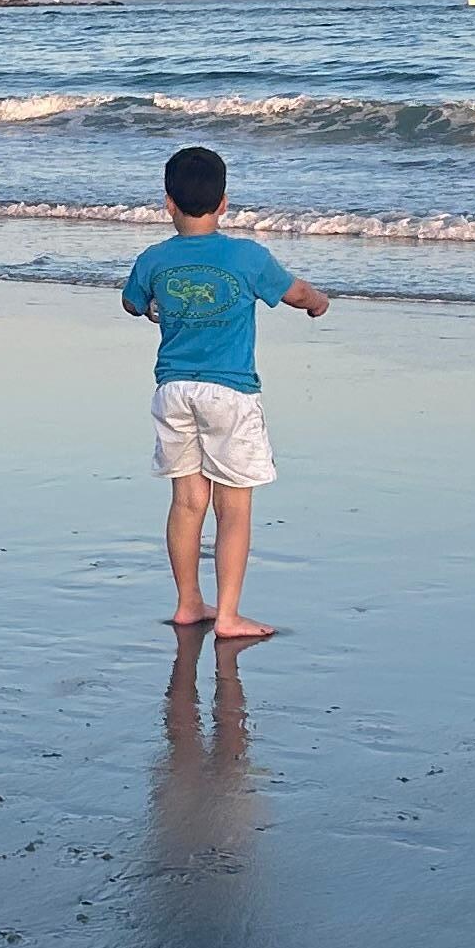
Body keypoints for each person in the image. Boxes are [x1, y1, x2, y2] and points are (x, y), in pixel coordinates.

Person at [120, 144, 331, 643]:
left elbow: (132, 303)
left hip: (173, 390)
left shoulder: (154, 258)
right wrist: (317, 302)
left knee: (187, 499)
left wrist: (153, 306)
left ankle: (189, 601)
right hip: (230, 393)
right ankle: (230, 614)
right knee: (233, 506)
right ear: (224, 204)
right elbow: (294, 291)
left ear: (168, 203)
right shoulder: (246, 257)